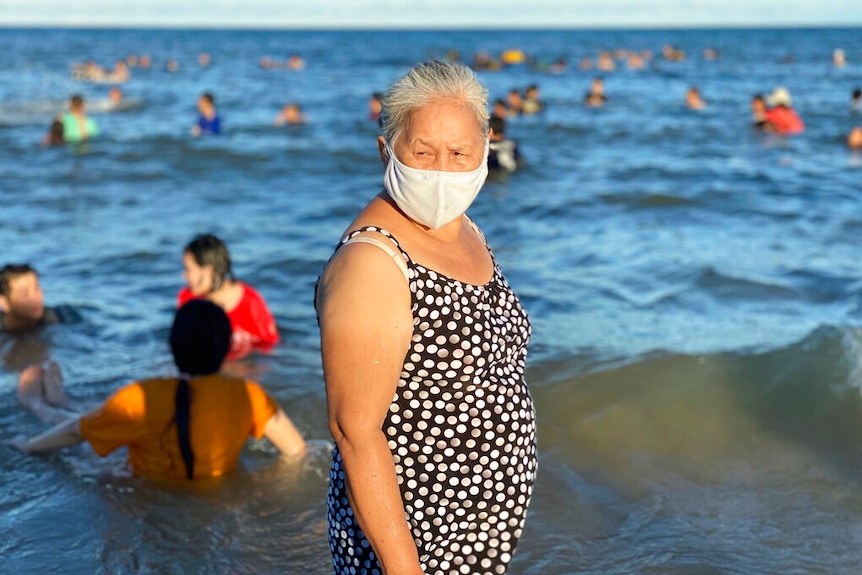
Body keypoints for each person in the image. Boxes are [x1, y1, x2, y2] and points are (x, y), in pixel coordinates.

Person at [315, 60, 536, 575]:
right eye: (422, 152)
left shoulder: (464, 229)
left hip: (472, 535)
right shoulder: (373, 261)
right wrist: (402, 567)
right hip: (416, 544)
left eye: (459, 153)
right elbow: (354, 431)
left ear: (485, 148)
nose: (441, 171)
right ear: (385, 150)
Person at [10, 300, 306, 480]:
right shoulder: (249, 395)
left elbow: (77, 432)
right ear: (226, 348)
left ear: (173, 346)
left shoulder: (143, 396)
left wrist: (27, 446)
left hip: (141, 489)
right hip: (208, 495)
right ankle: (59, 401)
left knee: (89, 437)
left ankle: (44, 405)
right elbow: (296, 451)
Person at [178, 234, 279, 355]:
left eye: (188, 269)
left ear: (208, 271)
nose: (184, 275)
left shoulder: (250, 302)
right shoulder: (187, 300)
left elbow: (270, 347)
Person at [0, 264, 74, 332]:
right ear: (5, 303)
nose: (35, 298)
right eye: (24, 294)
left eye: (37, 288)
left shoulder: (55, 317)